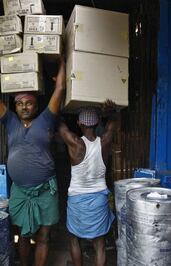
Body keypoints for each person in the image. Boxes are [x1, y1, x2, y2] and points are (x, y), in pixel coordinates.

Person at [0, 57, 66, 266]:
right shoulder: (10, 121)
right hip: (20, 191)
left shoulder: (46, 119)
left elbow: (60, 89)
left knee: (44, 236)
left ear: (36, 105)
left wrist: (62, 60)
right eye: (20, 103)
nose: (24, 107)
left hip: (45, 190)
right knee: (21, 234)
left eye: (29, 103)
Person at [57, 100, 119, 266]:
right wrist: (111, 112)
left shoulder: (74, 142)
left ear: (79, 123)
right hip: (99, 199)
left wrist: (60, 108)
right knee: (99, 245)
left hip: (77, 200)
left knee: (73, 239)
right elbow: (112, 124)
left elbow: (59, 125)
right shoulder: (104, 142)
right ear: (97, 121)